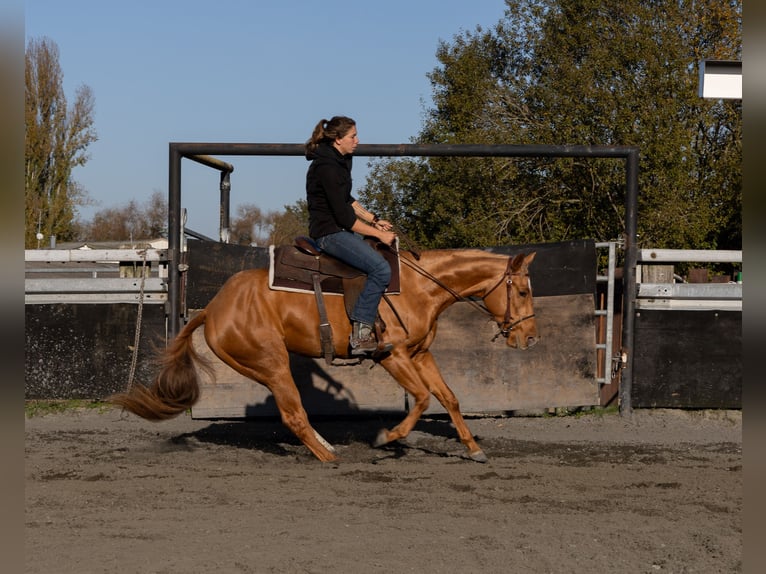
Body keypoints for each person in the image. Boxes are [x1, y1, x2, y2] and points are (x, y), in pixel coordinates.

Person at [305, 116, 396, 355]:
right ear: (338, 140)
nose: (357, 140)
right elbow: (345, 219)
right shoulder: (326, 168)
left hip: (340, 228)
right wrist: (378, 233)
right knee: (381, 269)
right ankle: (361, 333)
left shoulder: (341, 160)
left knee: (378, 253)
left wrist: (374, 219)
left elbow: (347, 199)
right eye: (352, 136)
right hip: (329, 233)